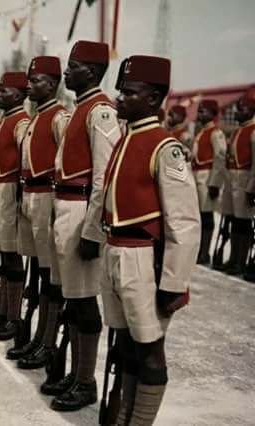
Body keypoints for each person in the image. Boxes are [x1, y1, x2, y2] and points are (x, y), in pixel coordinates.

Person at [101, 54, 200, 425]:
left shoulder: (165, 148)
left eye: (130, 91)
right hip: (117, 252)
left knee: (150, 350)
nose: (120, 96)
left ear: (154, 97)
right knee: (125, 344)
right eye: (121, 89)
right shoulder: (125, 140)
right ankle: (123, 416)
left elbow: (185, 223)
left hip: (143, 258)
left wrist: (174, 282)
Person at [45, 40, 121, 411]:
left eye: (72, 66)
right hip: (65, 207)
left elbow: (104, 178)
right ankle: (75, 374)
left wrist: (92, 231)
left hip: (81, 212)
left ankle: (86, 379)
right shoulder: (81, 108)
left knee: (84, 301)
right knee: (72, 301)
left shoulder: (101, 112)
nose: (65, 72)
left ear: (90, 71)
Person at [14, 56, 70, 369]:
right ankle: (37, 337)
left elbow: (66, 163)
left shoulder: (60, 117)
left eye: (36, 81)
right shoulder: (37, 117)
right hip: (31, 194)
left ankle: (47, 341)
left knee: (50, 277)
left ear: (52, 84)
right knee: (36, 270)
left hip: (48, 195)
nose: (29, 86)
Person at [0, 72, 30, 347]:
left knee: (13, 257)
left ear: (17, 94)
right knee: (5, 254)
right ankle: (2, 307)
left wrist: (20, 197)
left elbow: (25, 162)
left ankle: (13, 317)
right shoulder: (7, 120)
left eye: (4, 91)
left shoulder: (20, 122)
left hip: (11, 193)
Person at [220, 88, 255, 275]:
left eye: (242, 110)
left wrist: (251, 189)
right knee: (233, 221)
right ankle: (232, 259)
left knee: (243, 224)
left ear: (251, 111)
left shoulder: (253, 131)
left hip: (244, 180)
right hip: (232, 179)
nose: (238, 113)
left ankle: (241, 262)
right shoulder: (237, 131)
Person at [191, 99, 226, 264]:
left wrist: (215, 183)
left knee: (206, 217)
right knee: (198, 216)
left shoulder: (215, 133)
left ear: (212, 114)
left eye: (203, 111)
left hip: (206, 177)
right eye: (198, 111)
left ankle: (205, 253)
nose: (199, 114)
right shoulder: (201, 132)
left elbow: (220, 158)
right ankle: (198, 250)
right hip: (197, 176)